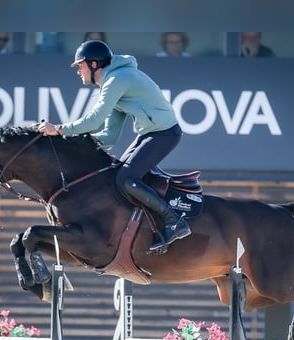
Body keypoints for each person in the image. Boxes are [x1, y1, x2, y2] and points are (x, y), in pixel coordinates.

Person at [37, 40, 191, 253]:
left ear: (93, 64)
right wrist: (68, 142)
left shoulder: (117, 80)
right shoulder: (112, 83)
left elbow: (93, 120)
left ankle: (174, 222)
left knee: (125, 179)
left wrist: (59, 129)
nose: (78, 71)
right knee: (116, 176)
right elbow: (109, 136)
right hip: (151, 133)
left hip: (164, 134)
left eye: (80, 65)